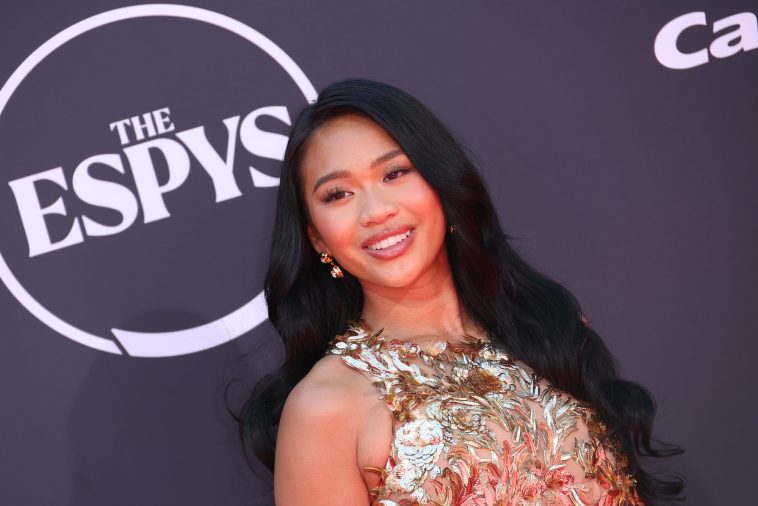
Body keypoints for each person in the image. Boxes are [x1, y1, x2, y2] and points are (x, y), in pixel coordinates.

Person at [238, 79, 685, 505]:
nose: (375, 211)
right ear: (317, 237)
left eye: (395, 172)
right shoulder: (325, 407)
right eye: (338, 194)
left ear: (441, 184)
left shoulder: (546, 329)